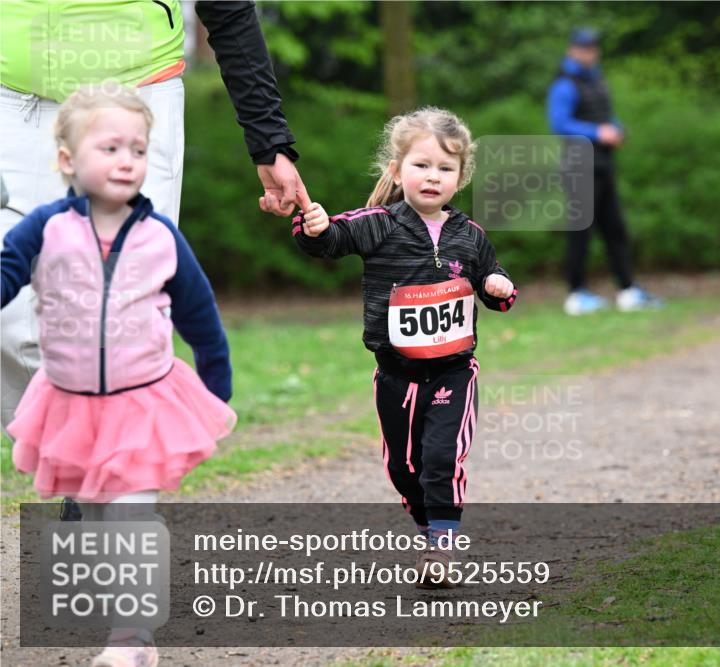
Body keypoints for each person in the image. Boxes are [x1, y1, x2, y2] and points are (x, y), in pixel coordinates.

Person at [1, 83, 236, 667]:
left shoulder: (161, 239)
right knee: (98, 516)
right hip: (71, 403)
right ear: (67, 159)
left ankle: (131, 641)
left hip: (141, 401)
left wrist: (216, 388)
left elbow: (201, 318)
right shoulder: (44, 229)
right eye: (110, 148)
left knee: (130, 513)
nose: (127, 160)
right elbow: (5, 275)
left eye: (137, 149)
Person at [0, 0, 310, 430]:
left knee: (122, 317)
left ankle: (107, 460)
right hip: (16, 103)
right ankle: (71, 448)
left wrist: (268, 138)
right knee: (11, 318)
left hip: (138, 96)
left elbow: (228, 7)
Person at [293, 108, 516, 588]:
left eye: (445, 168)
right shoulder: (381, 224)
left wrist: (498, 286)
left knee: (441, 457)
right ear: (397, 171)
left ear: (460, 177)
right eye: (422, 165)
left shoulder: (470, 235)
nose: (433, 176)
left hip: (453, 370)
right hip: (395, 373)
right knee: (403, 466)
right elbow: (332, 239)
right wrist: (314, 227)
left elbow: (492, 281)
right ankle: (427, 526)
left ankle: (442, 545)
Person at [547, 27, 662, 315]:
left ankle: (628, 290)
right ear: (572, 49)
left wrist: (617, 129)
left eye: (593, 47)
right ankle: (576, 294)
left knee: (615, 229)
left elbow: (605, 116)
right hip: (579, 166)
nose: (590, 52)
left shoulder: (597, 79)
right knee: (580, 231)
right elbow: (560, 123)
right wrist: (598, 133)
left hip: (603, 165)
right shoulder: (564, 84)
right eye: (584, 47)